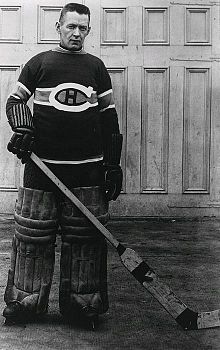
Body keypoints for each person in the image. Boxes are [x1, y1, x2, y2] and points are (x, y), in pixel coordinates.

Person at [3, 2, 123, 329]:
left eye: (83, 28)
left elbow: (108, 116)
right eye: (71, 26)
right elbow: (15, 102)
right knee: (32, 236)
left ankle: (82, 306)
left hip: (87, 171)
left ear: (88, 30)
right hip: (42, 170)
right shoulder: (39, 63)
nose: (76, 33)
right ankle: (24, 303)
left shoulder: (96, 67)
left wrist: (112, 164)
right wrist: (23, 127)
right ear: (58, 26)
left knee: (85, 239)